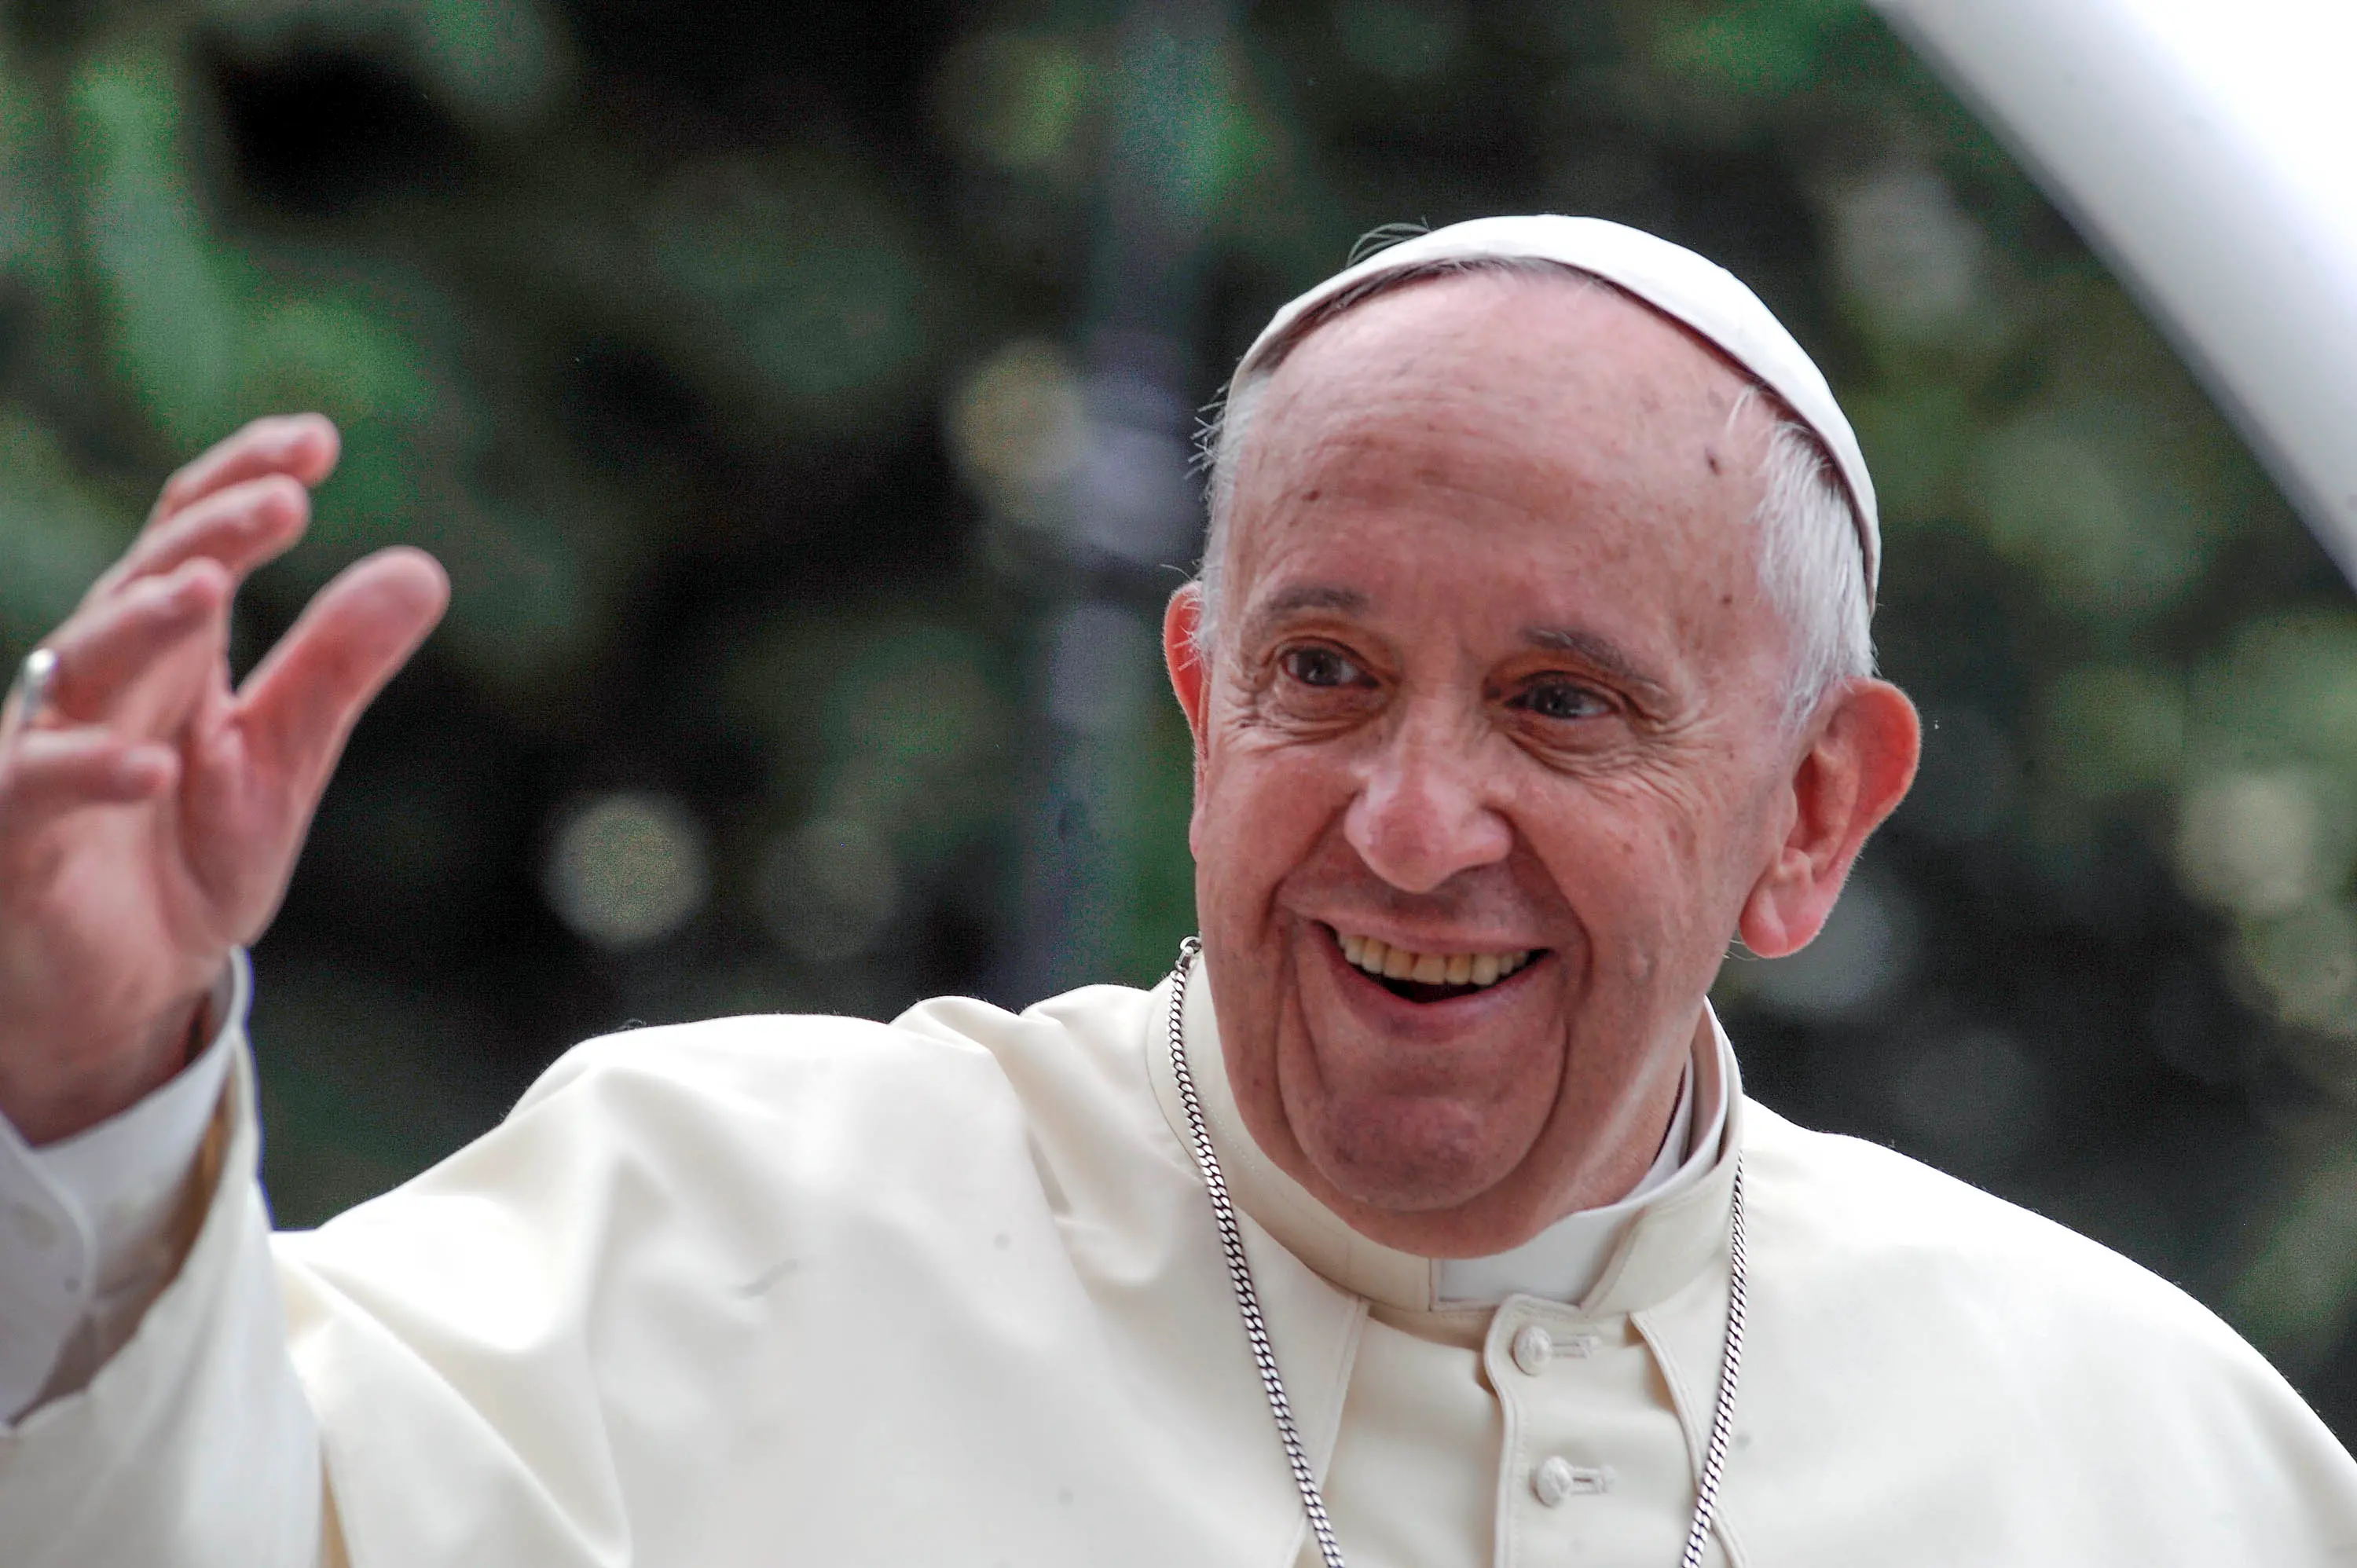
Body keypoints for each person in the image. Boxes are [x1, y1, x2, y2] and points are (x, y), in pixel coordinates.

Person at [0, 216, 2352, 1568]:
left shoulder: (2154, 1460)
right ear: (1206, 699)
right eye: (1327, 672)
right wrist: (90, 1076)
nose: (1417, 825)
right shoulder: (714, 1224)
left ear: (1814, 810)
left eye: (1559, 704)